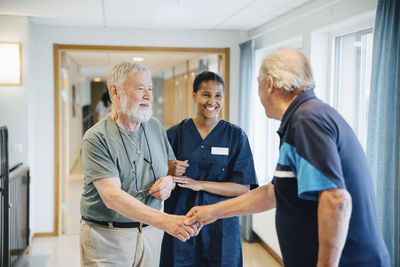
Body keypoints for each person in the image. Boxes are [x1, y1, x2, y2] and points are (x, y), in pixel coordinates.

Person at [185, 48, 391, 267]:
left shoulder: (306, 120)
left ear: (270, 84)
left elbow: (337, 200)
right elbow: (274, 193)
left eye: (258, 83)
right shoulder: (304, 117)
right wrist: (213, 211)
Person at [80, 62, 198, 267]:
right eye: (140, 88)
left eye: (150, 88)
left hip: (150, 234)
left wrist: (168, 182)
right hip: (109, 236)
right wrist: (166, 221)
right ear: (115, 92)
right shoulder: (97, 138)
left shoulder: (155, 127)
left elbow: (169, 170)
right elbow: (112, 197)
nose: (148, 96)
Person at [160, 71, 258, 267]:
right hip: (182, 221)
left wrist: (200, 184)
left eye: (218, 95)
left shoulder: (236, 136)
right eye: (206, 94)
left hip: (221, 224)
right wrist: (167, 169)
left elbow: (243, 187)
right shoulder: (174, 134)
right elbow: (154, 179)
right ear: (194, 95)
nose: (212, 101)